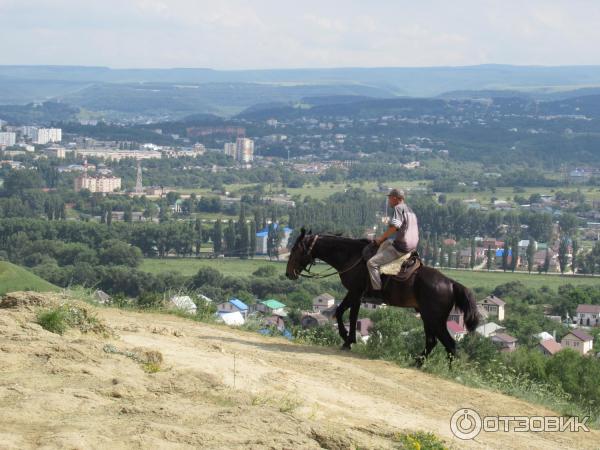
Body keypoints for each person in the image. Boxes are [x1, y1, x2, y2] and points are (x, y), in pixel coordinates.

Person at [367, 188, 419, 292]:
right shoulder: (410, 210)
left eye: (389, 198)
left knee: (371, 263)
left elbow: (395, 227)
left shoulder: (398, 208)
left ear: (395, 198)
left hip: (402, 247)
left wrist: (380, 238)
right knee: (387, 243)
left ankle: (377, 292)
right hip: (413, 247)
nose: (389, 200)